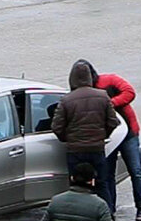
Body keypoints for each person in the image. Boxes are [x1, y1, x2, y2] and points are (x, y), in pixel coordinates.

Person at [52, 61, 119, 214]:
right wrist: (103, 136)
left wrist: (67, 139)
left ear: (72, 79)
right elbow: (113, 122)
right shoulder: (102, 96)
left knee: (76, 188)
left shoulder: (66, 100)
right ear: (89, 77)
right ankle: (107, 215)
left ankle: (78, 215)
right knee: (102, 185)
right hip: (97, 149)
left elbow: (56, 127)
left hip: (75, 151)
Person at [85, 62, 141, 221]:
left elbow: (130, 92)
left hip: (128, 133)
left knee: (136, 171)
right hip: (108, 136)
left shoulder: (110, 80)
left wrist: (110, 104)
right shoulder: (86, 92)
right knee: (107, 175)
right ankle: (110, 210)